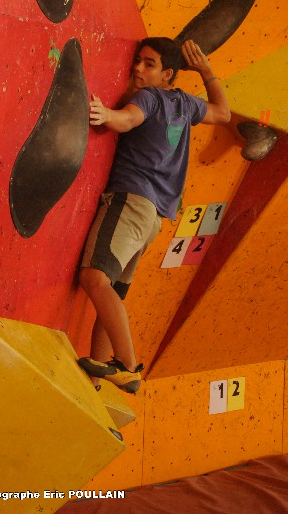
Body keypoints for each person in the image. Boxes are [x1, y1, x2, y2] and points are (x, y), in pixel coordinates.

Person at [77, 37, 231, 393]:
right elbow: (223, 113)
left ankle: (128, 366)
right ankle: (95, 380)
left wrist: (107, 116)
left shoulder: (149, 97)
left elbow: (130, 118)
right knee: (111, 291)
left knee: (93, 278)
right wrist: (207, 71)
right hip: (153, 218)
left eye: (149, 64)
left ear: (167, 75)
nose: (137, 68)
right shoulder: (185, 104)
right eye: (138, 60)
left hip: (131, 201)